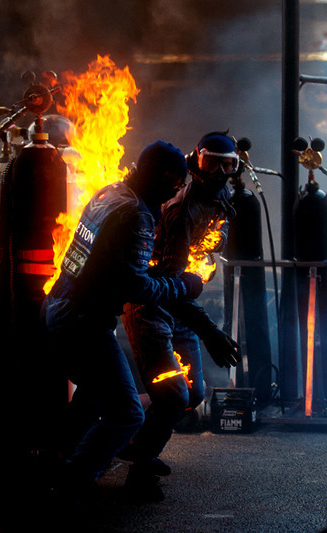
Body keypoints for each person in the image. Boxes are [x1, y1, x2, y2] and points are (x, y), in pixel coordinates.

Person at [40, 140, 205, 508]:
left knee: (92, 398)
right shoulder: (136, 214)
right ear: (162, 180)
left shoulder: (109, 193)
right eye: (175, 186)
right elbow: (136, 287)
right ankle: (70, 489)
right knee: (127, 413)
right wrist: (183, 286)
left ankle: (53, 468)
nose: (174, 194)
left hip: (59, 308)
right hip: (82, 323)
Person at [120, 131, 241, 500]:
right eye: (211, 162)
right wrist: (209, 331)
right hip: (154, 306)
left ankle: (130, 433)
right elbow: (169, 287)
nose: (220, 172)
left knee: (193, 394)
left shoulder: (219, 196)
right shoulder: (179, 211)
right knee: (173, 396)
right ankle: (138, 464)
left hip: (181, 304)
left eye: (228, 164)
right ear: (195, 161)